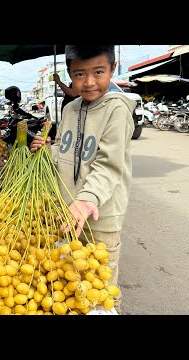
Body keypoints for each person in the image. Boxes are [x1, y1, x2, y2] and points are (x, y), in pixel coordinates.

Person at [30, 45, 136, 315]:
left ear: (112, 69)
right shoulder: (70, 109)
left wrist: (88, 199)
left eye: (98, 72)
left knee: (101, 289)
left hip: (102, 215)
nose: (89, 82)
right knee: (73, 284)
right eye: (79, 74)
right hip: (69, 211)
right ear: (69, 74)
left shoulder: (117, 110)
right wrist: (48, 151)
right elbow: (67, 151)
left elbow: (109, 165)